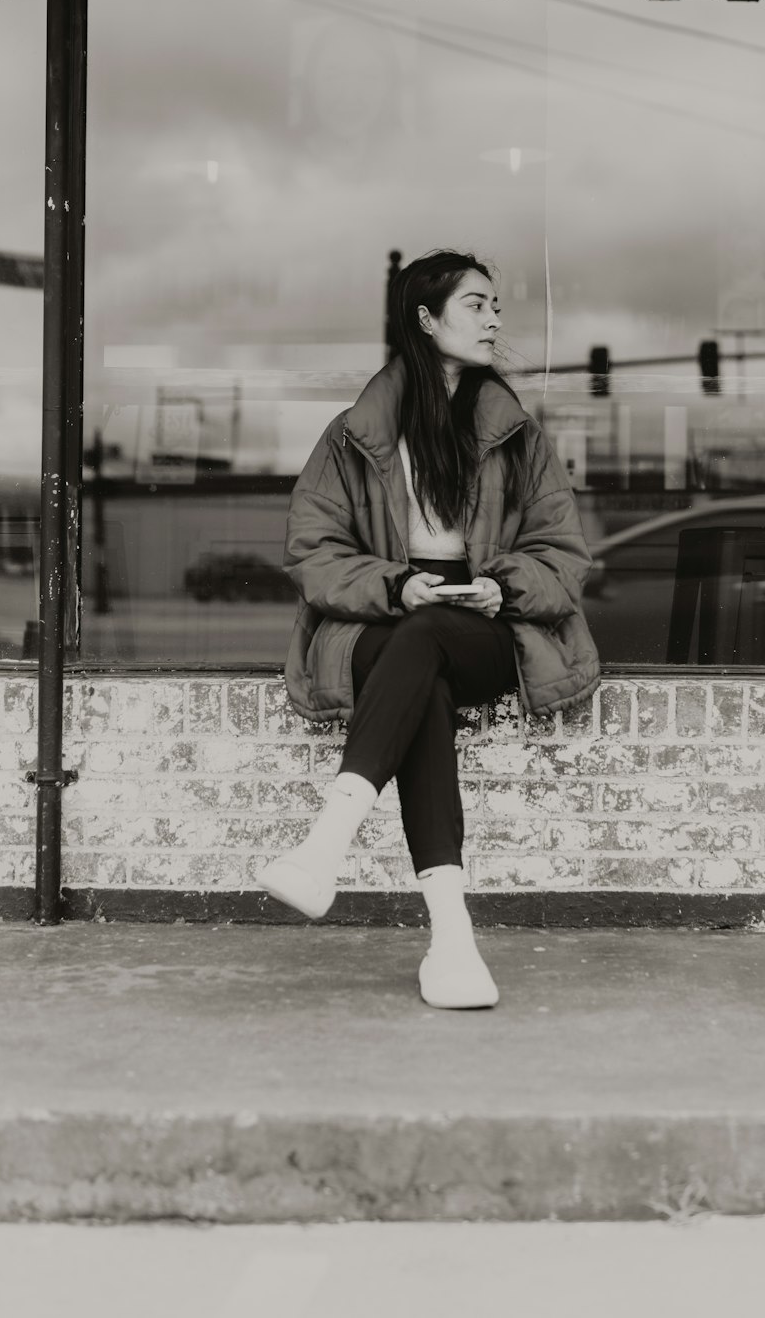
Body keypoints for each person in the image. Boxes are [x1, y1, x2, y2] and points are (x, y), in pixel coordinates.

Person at [260, 249, 600, 1008]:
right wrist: (392, 583)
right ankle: (451, 940)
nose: (494, 320)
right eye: (476, 305)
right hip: (388, 615)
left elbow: (563, 555)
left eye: (496, 306)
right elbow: (313, 552)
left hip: (486, 622)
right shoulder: (353, 435)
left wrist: (497, 583)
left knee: (430, 641)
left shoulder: (515, 433)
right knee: (421, 679)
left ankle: (326, 846)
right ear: (427, 318)